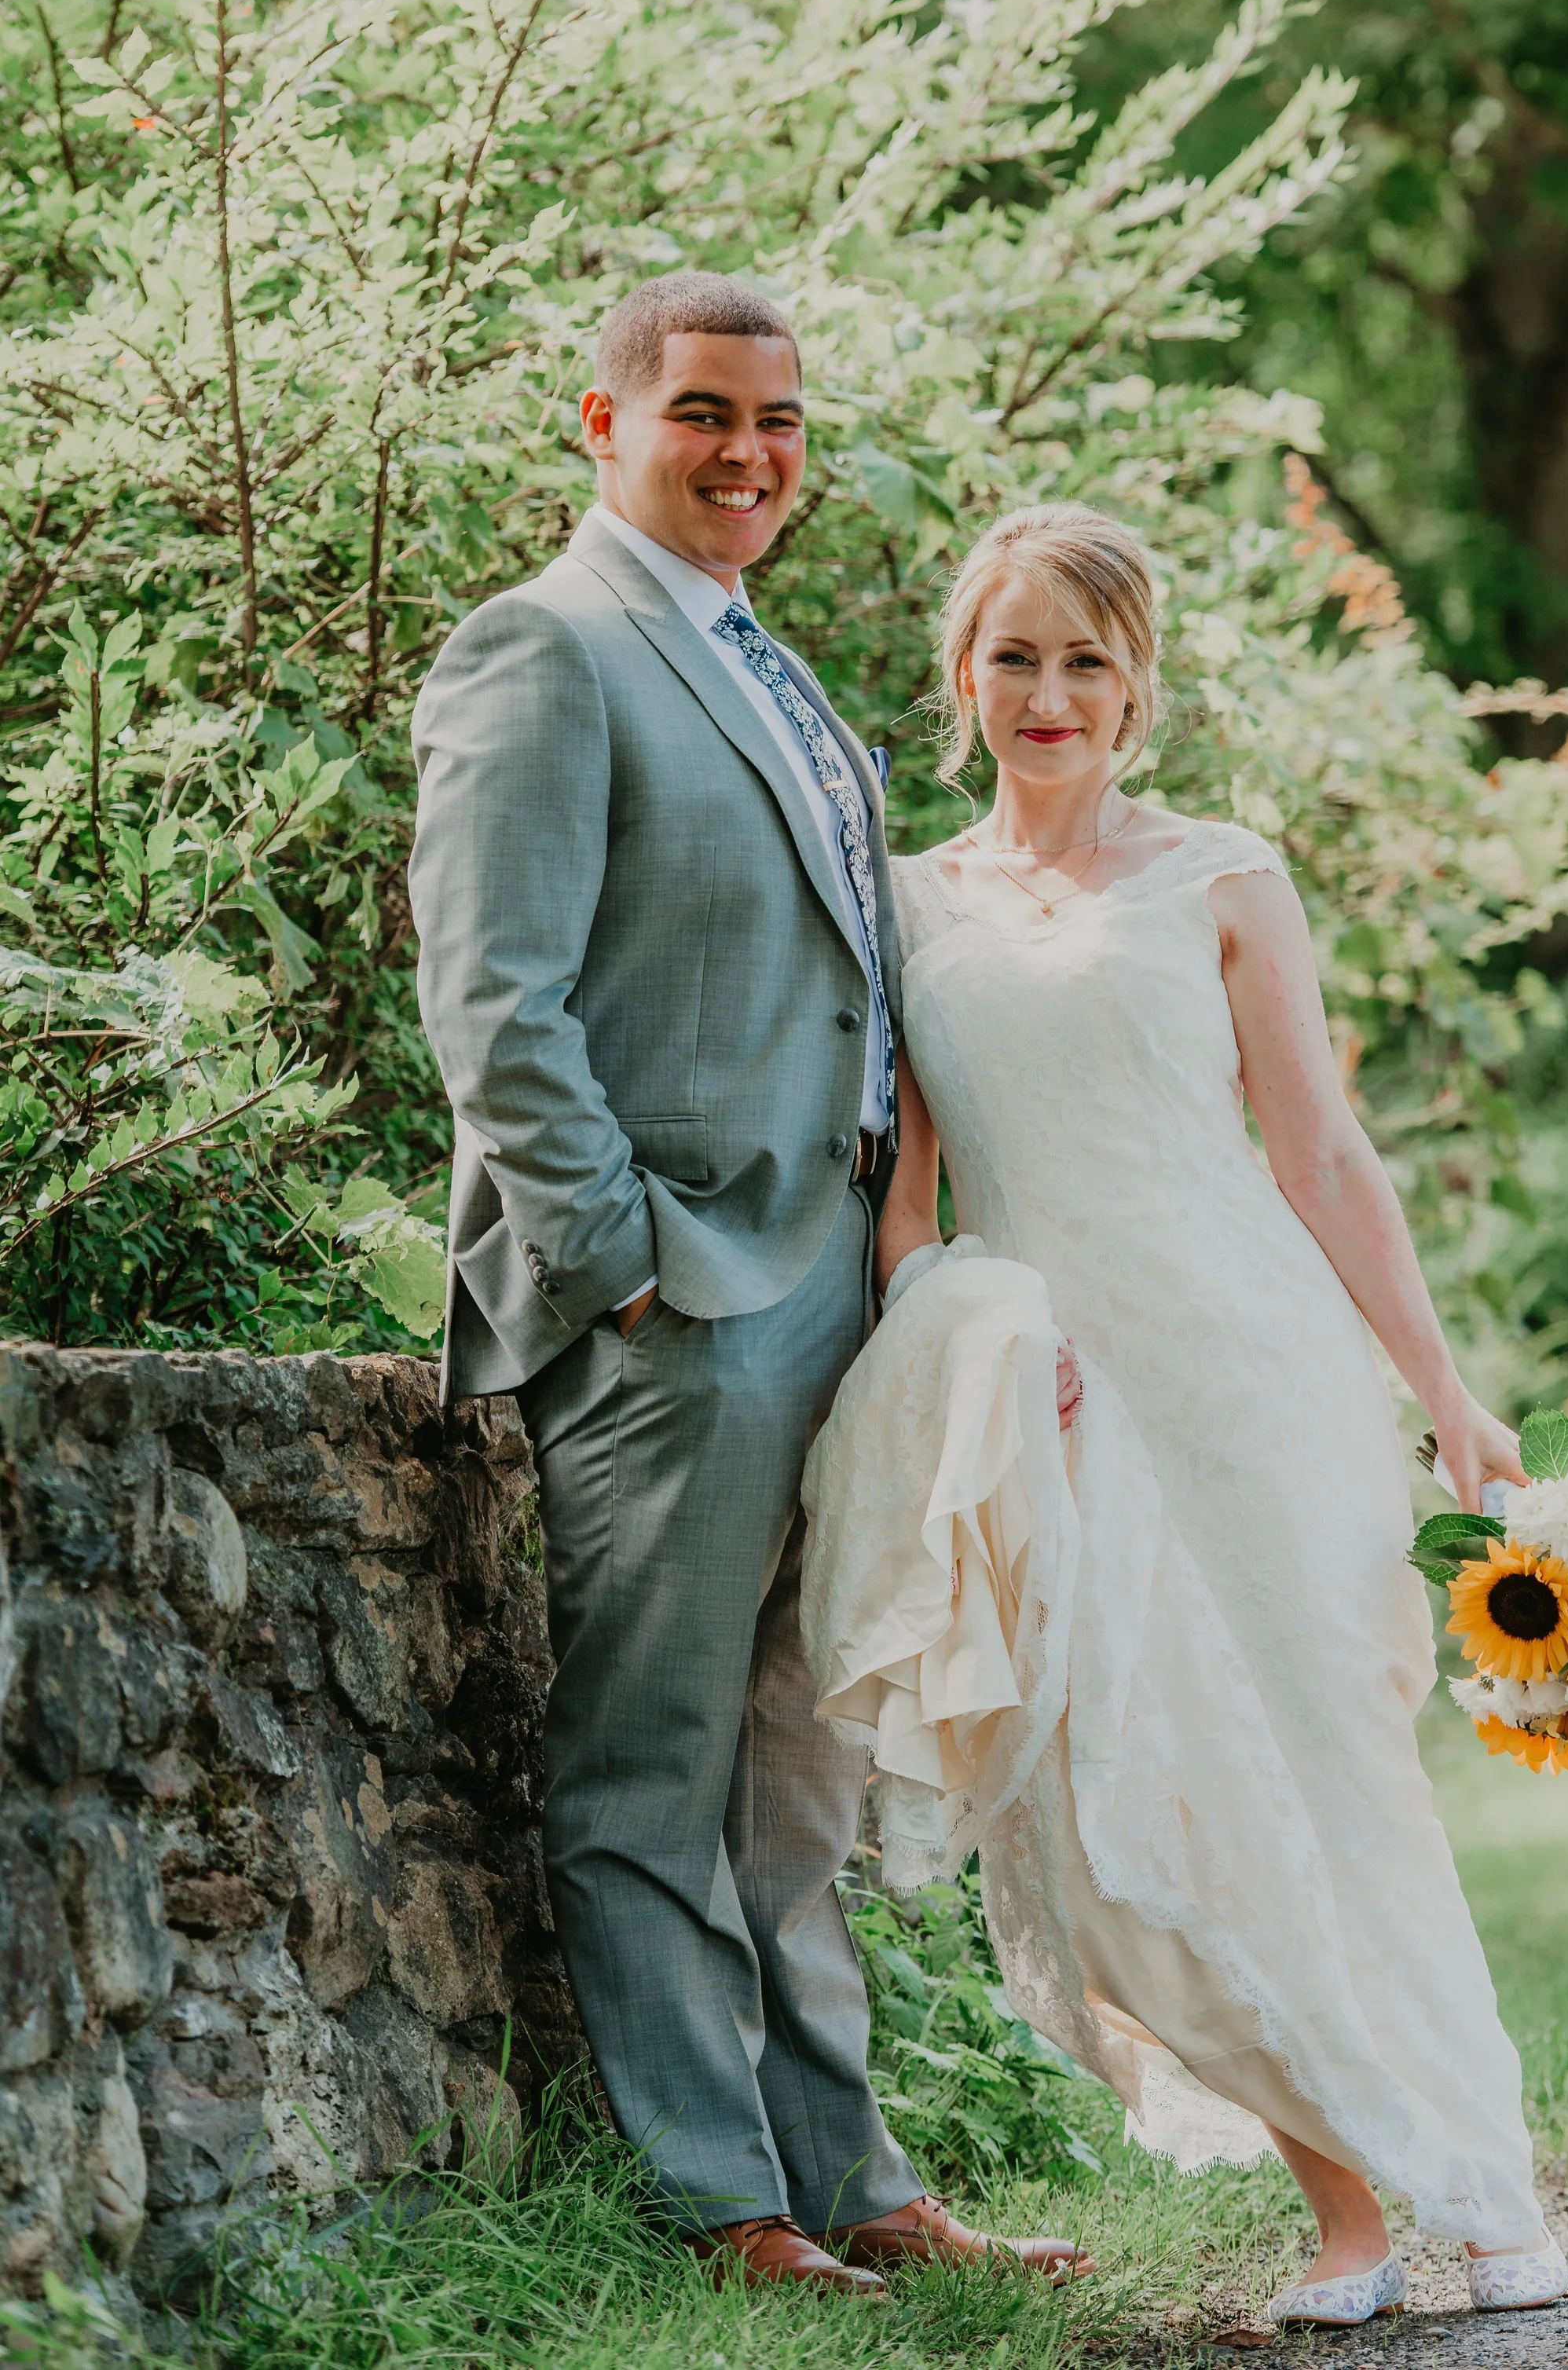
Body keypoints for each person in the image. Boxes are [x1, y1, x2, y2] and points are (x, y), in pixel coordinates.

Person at [408, 273, 1082, 2295]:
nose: (748, 454)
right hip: (675, 1304)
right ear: (599, 422)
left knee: (787, 1776)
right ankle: (725, 2206)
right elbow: (494, 1001)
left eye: (778, 421)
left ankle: (859, 2183)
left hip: (838, 1299)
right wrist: (621, 1266)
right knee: (645, 1773)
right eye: (703, 413)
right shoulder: (541, 650)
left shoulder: (769, 666)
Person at [870, 501, 1568, 2326]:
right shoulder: (906, 905)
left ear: (1135, 682)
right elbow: (900, 1207)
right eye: (1012, 655)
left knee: (1329, 1785)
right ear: (963, 675)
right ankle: (1348, 2203)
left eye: (1082, 658)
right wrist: (970, 1341)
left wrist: (1446, 1390)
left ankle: (1465, 2200)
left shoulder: (1220, 878)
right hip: (1061, 1417)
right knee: (1128, 1828)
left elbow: (1320, 1156)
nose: (1046, 692)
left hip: (1258, 1386)